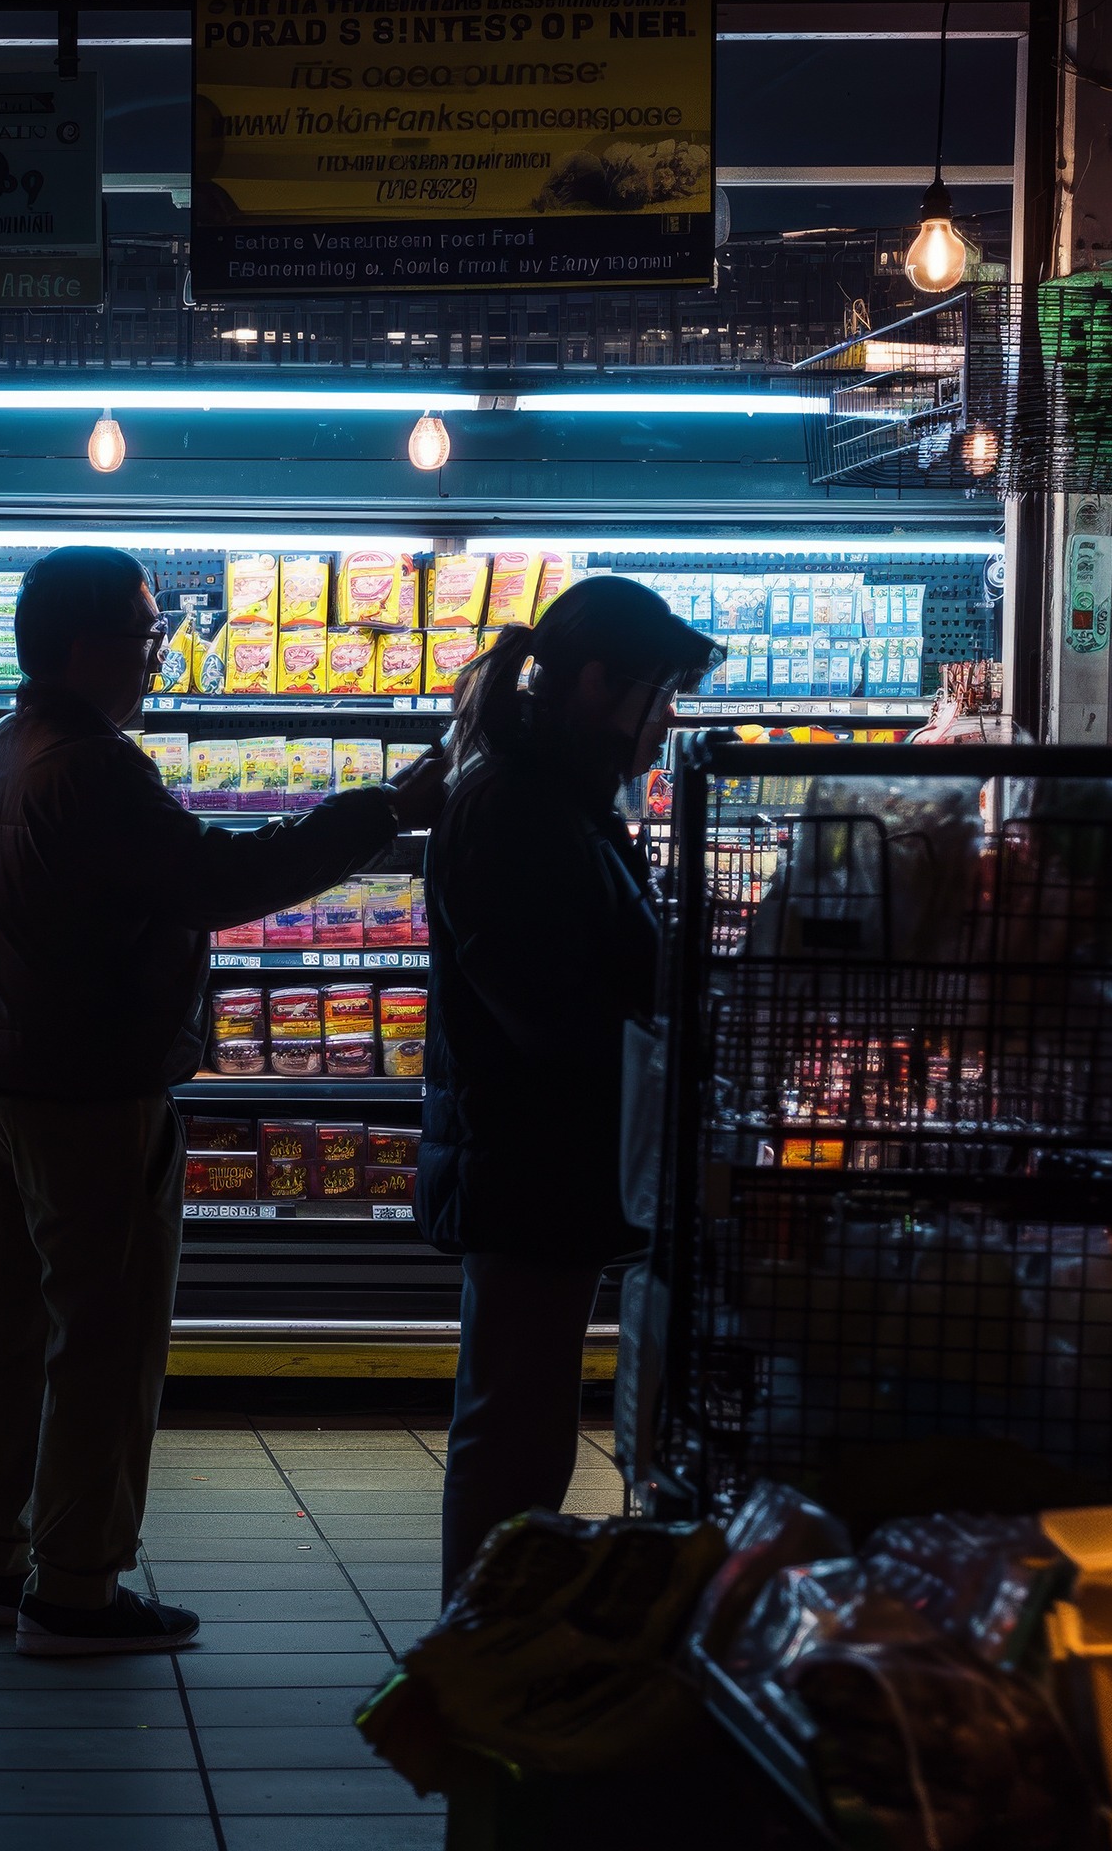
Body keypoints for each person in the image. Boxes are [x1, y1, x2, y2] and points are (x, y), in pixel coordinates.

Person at [0, 545, 449, 1655]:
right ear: (90, 643)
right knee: (105, 1339)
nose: (159, 652)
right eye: (150, 632)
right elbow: (218, 882)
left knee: (11, 1321)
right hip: (87, 1095)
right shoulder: (92, 766)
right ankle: (75, 1591)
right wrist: (383, 809)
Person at [419, 574, 719, 1597]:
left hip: (548, 1160)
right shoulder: (516, 808)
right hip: (529, 1160)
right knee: (514, 1424)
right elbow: (550, 1008)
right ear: (601, 682)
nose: (665, 720)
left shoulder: (556, 801)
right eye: (660, 694)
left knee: (527, 1420)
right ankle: (473, 1648)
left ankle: (491, 1634)